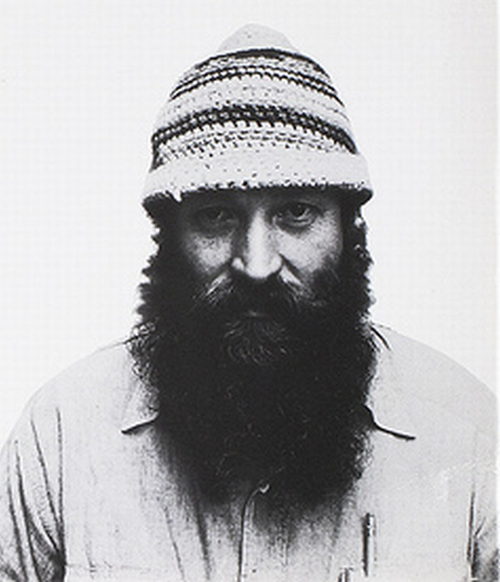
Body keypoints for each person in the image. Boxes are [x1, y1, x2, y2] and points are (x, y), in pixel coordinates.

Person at [0, 24, 496, 582]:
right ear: (170, 238)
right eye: (216, 215)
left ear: (348, 229)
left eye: (296, 212)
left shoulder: (469, 439)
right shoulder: (61, 439)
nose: (256, 264)